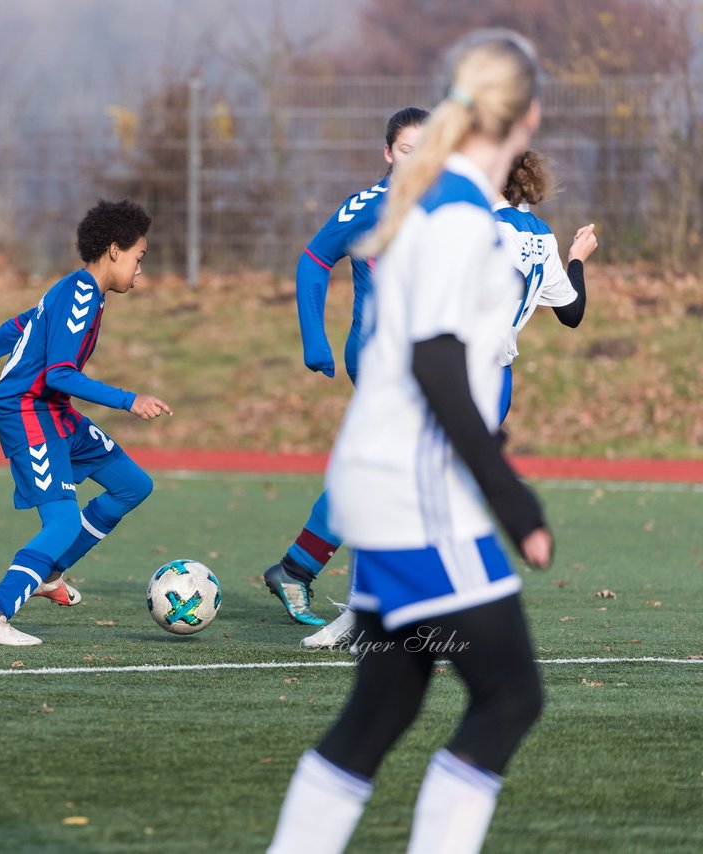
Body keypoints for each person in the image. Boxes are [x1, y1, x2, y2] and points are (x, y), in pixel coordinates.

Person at [268, 29, 552, 854]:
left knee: (382, 709)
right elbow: (434, 363)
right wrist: (512, 496)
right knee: (511, 695)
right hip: (414, 496)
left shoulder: (428, 199)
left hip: (377, 484)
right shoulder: (460, 215)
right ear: (527, 116)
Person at [0, 199, 171, 646]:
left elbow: (18, 325)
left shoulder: (75, 289)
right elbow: (60, 373)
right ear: (113, 250)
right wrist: (130, 400)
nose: (140, 270)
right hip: (27, 411)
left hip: (55, 411)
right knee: (62, 524)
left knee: (133, 485)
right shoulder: (80, 295)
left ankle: (50, 570)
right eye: (139, 258)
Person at [262, 107, 429, 649]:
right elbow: (313, 260)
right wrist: (315, 338)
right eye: (407, 150)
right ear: (387, 153)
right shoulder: (370, 204)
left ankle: (299, 569)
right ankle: (373, 601)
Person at [493, 150, 598, 422]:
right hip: (500, 377)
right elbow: (572, 312)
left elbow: (505, 280)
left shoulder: (495, 228)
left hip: (469, 371)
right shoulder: (540, 231)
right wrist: (576, 260)